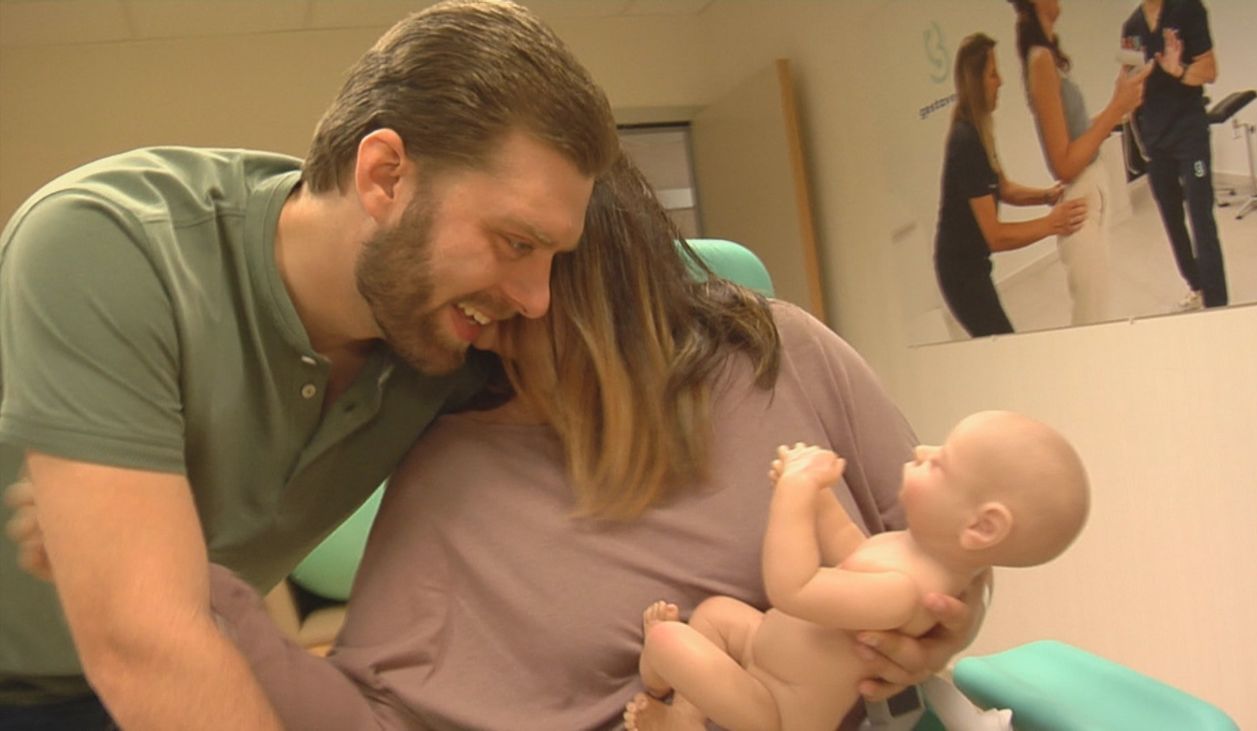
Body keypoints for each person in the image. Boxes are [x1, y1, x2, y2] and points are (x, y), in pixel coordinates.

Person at [200, 155, 989, 730]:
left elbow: (952, 545)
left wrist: (946, 621)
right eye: (490, 297)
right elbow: (386, 705)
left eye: (540, 275)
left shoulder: (781, 352)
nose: (503, 322)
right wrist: (211, 614)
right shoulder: (456, 466)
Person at [0, 1, 620, 728]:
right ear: (385, 174)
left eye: (554, 258)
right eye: (515, 241)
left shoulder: (452, 335)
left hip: (175, 667)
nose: (537, 299)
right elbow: (146, 643)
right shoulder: (110, 243)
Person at [625, 413, 1089, 731]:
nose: (922, 450)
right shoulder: (910, 557)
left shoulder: (904, 596)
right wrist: (823, 496)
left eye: (940, 462)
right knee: (716, 614)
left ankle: (658, 676)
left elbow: (794, 588)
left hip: (776, 707)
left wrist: (794, 493)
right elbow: (852, 551)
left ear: (981, 527)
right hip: (762, 649)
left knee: (670, 640)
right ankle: (685, 717)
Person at [1007, 0, 1153, 326]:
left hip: (1093, 190)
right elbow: (1063, 164)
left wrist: (1120, 105)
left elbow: (1077, 136)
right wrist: (1117, 108)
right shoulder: (1040, 60)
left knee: (1098, 312)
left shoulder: (1046, 57)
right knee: (1092, 322)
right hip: (1081, 200)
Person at [935, 33, 1088, 338]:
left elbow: (1002, 188)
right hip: (960, 273)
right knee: (1002, 341)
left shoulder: (979, 131)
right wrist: (1052, 223)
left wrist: (1045, 196)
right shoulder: (966, 141)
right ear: (975, 82)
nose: (1001, 81)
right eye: (993, 74)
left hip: (974, 265)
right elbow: (996, 236)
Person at [1121, 0, 1226, 311]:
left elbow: (1210, 70)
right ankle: (1196, 285)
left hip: (1189, 133)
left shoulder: (1189, 9)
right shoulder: (1131, 26)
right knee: (1171, 219)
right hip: (1156, 139)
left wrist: (1177, 69)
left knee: (1200, 215)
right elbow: (1129, 77)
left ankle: (1218, 304)